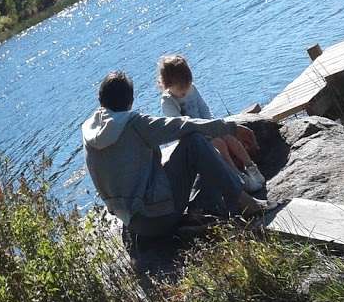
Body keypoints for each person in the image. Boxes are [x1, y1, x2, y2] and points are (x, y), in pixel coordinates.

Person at [82, 71, 270, 238]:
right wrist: (229, 128)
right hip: (157, 217)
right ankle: (245, 202)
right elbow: (182, 126)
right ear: (130, 102)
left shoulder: (89, 129)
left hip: (133, 225)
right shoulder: (133, 123)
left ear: (100, 99)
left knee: (184, 158)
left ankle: (192, 218)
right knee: (194, 142)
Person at [157, 55, 266, 192]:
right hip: (193, 137)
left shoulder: (192, 89)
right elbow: (181, 127)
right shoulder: (167, 102)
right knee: (219, 144)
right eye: (180, 90)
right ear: (168, 85)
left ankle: (251, 167)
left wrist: (214, 126)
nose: (184, 92)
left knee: (229, 137)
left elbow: (204, 109)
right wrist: (207, 133)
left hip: (208, 128)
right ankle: (237, 176)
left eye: (187, 86)